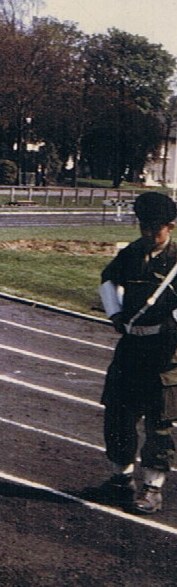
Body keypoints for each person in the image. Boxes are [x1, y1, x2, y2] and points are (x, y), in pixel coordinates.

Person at [99, 191, 177, 513]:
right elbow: (108, 280)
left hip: (165, 352)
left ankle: (152, 487)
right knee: (118, 413)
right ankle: (121, 476)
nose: (148, 234)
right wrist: (115, 313)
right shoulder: (132, 253)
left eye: (155, 228)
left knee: (159, 422)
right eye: (144, 226)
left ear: (170, 226)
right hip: (132, 346)